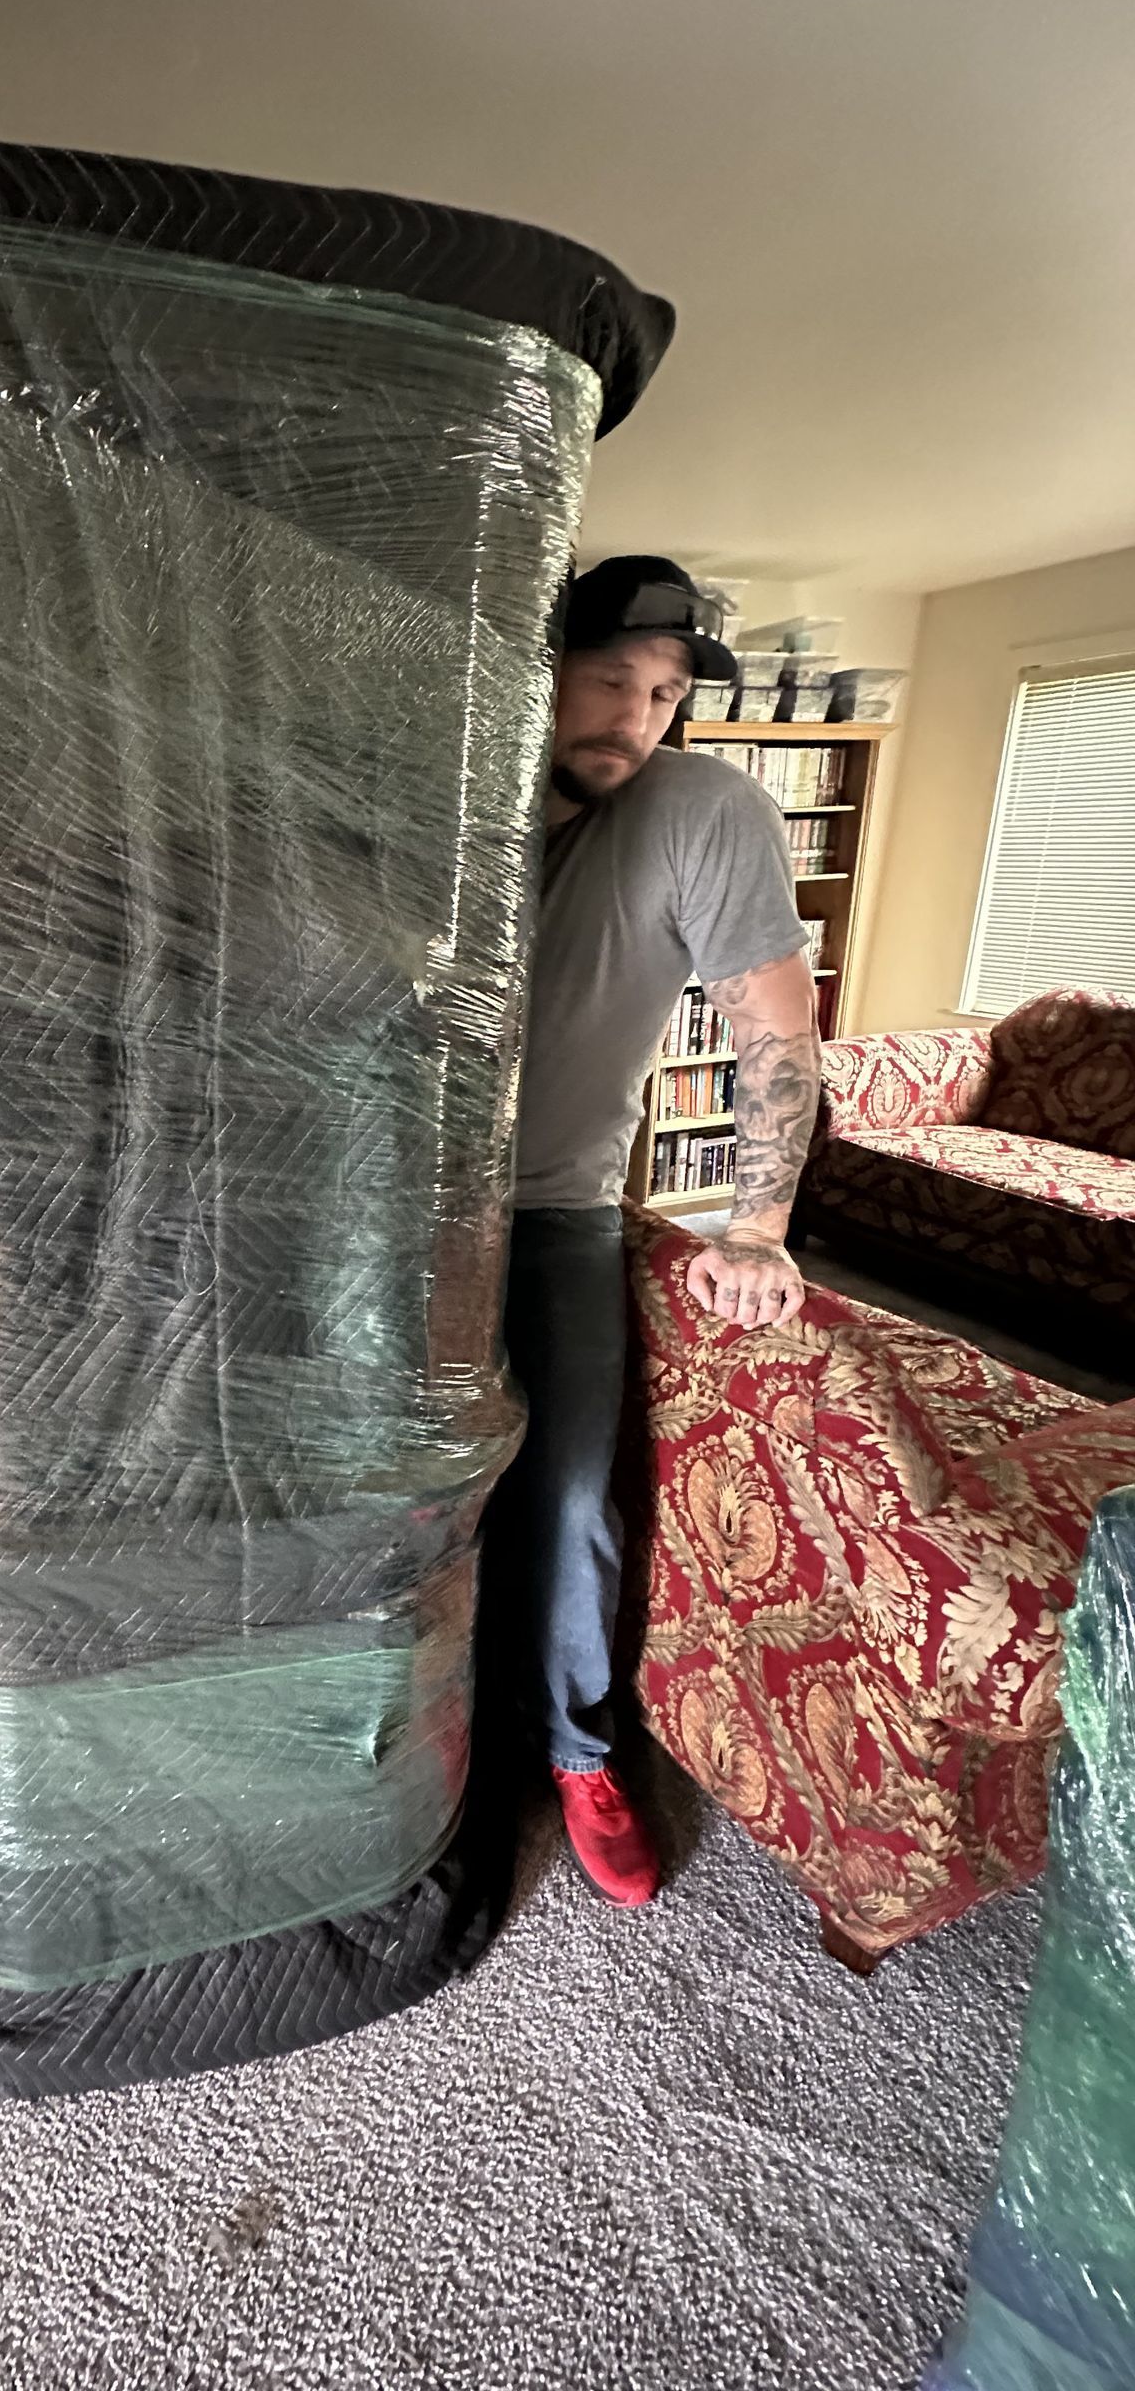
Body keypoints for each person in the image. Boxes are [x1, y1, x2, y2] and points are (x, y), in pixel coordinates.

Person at [501, 554, 821, 1908]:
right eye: (611, 678)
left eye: (666, 691)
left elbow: (773, 1022)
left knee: (573, 1496)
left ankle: (582, 1752)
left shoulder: (702, 806)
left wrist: (756, 1225)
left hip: (556, 1210)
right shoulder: (456, 796)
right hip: (374, 1210)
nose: (638, 716)